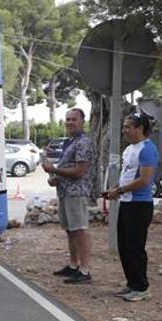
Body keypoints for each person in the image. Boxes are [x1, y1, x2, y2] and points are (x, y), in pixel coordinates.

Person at [103, 110, 159, 302]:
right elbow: (127, 176)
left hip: (140, 205)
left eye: (128, 127)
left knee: (135, 247)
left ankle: (142, 287)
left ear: (139, 128)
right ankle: (131, 283)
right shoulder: (129, 150)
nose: (124, 130)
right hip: (126, 203)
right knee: (124, 246)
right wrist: (115, 189)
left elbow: (144, 180)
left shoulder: (147, 149)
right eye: (124, 127)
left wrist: (120, 191)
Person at [42, 108, 95, 284]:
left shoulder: (83, 143)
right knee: (70, 230)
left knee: (80, 229)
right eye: (68, 120)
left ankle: (85, 270)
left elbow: (80, 170)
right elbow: (68, 168)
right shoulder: (69, 142)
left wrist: (55, 170)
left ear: (82, 121)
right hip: (65, 192)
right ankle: (74, 265)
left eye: (74, 119)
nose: (70, 123)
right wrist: (56, 178)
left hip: (77, 192)